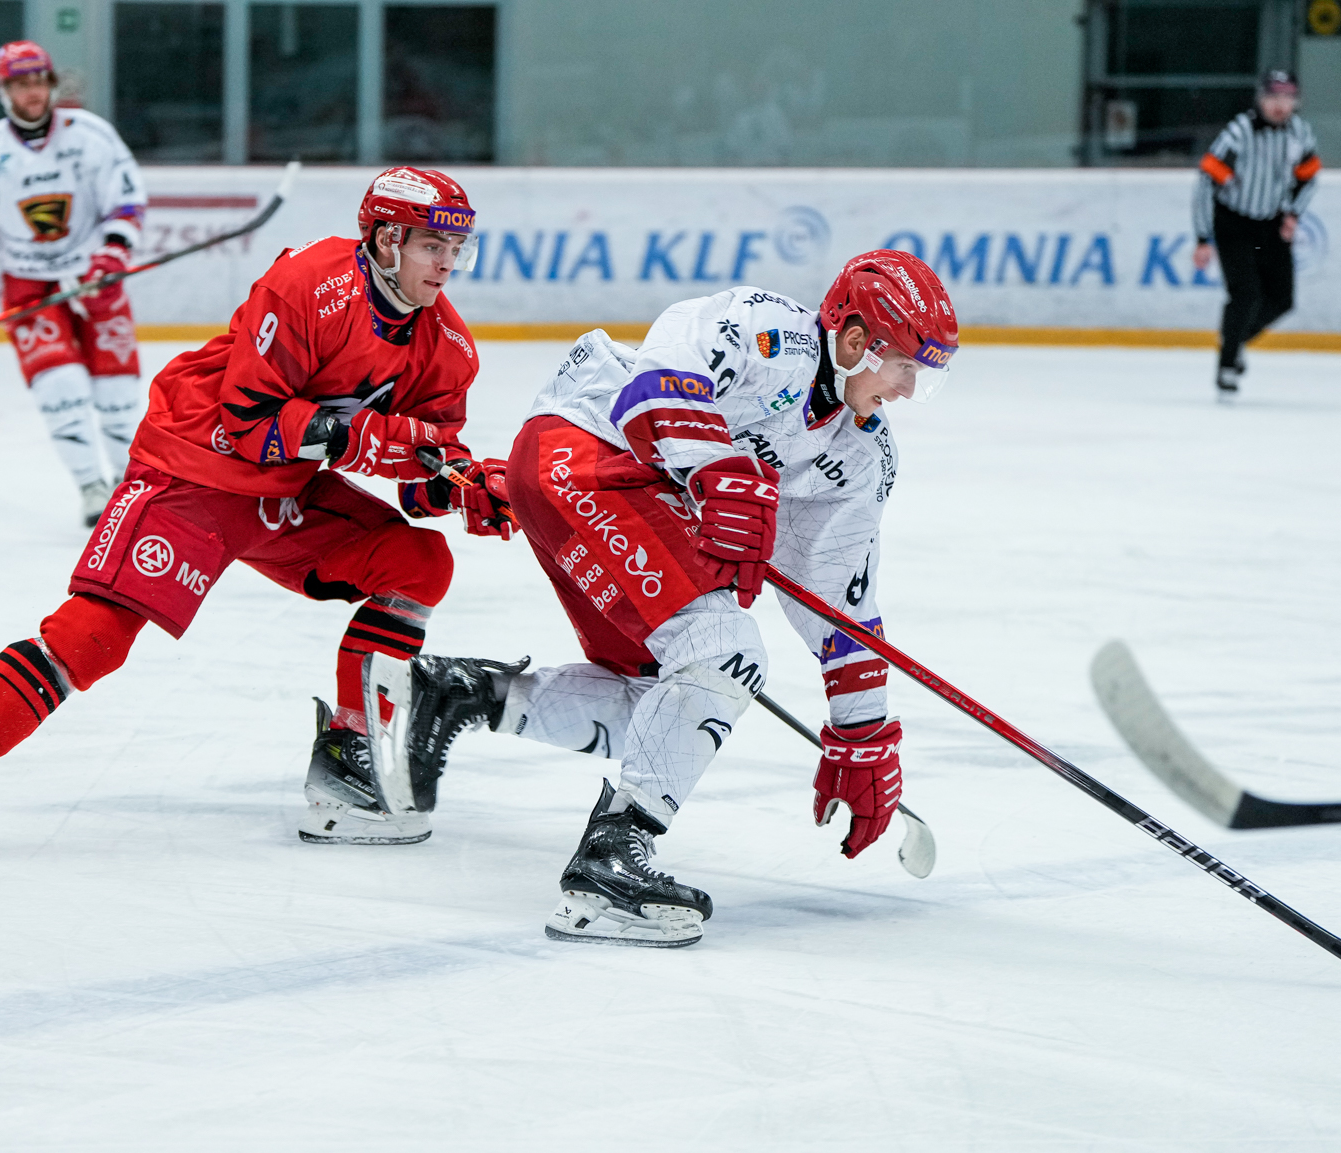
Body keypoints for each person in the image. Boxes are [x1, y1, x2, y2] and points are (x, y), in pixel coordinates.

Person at [0, 167, 512, 864]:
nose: (447, 263)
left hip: (282, 493)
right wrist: (371, 440)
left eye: (456, 248)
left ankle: (349, 752)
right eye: (432, 246)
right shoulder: (308, 284)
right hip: (195, 468)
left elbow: (422, 474)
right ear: (384, 240)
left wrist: (471, 488)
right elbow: (251, 421)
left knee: (419, 562)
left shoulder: (447, 347)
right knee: (93, 637)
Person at [397, 252, 958, 947]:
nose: (907, 388)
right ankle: (608, 865)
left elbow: (839, 600)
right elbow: (660, 374)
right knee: (722, 654)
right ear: (853, 340)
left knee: (666, 709)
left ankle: (462, 694)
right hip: (584, 452)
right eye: (902, 364)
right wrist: (714, 469)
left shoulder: (860, 454)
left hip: (615, 494)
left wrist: (862, 732)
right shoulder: (771, 332)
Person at [0, 40, 151, 526]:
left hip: (95, 278)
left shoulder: (91, 135)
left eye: (38, 81)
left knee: (117, 392)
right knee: (60, 388)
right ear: (3, 90)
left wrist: (114, 252)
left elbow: (126, 199)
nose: (31, 92)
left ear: (51, 83)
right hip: (27, 283)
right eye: (20, 84)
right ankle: (92, 487)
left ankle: (131, 485)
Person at [1192, 69, 1320, 402]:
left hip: (1270, 225)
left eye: (1287, 98)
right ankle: (1227, 366)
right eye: (1272, 97)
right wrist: (1203, 238)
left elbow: (1309, 177)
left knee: (1282, 299)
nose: (1279, 105)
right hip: (1234, 223)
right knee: (1245, 292)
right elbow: (1206, 182)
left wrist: (1293, 213)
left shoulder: (1300, 133)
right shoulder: (1239, 133)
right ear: (1260, 99)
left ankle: (1234, 341)